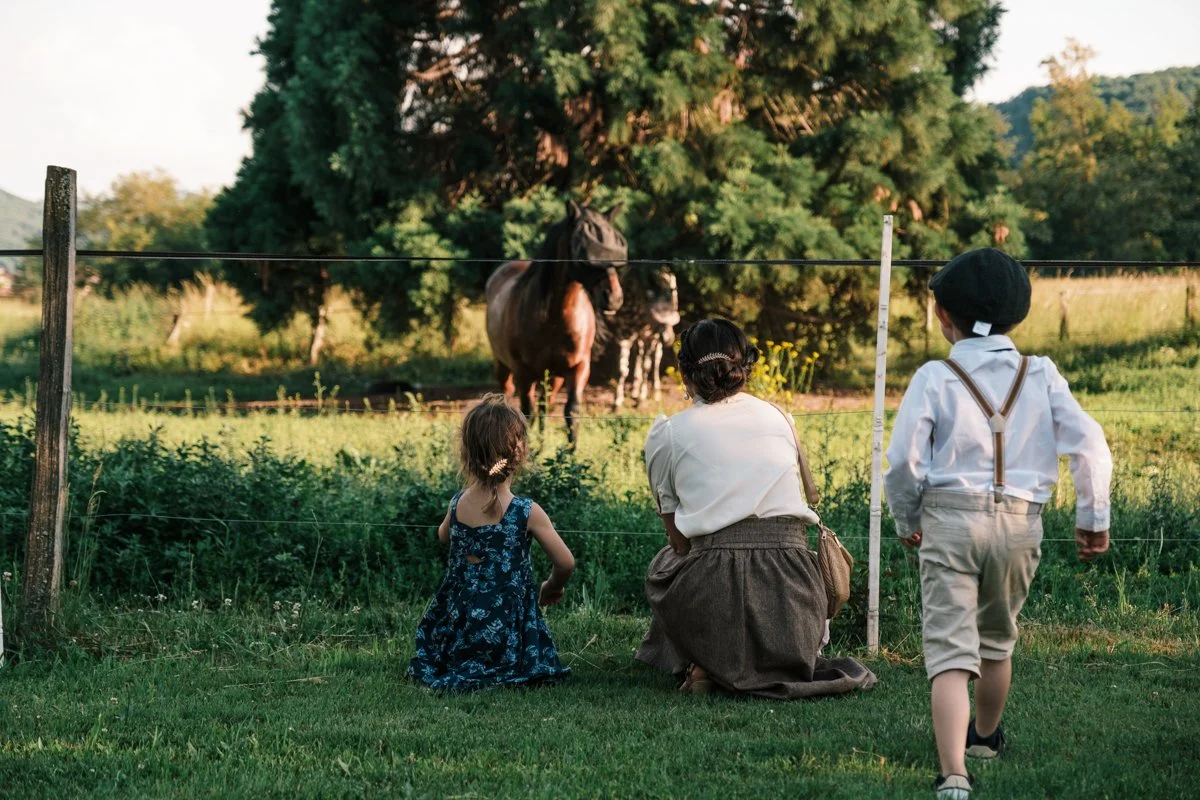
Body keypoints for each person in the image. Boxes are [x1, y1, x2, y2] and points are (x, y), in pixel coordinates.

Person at [884, 248, 1112, 799]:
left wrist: (906, 519)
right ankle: (984, 737)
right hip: (1020, 525)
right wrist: (1092, 517)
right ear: (1019, 314)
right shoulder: (1043, 374)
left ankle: (953, 774)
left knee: (947, 647)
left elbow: (903, 463)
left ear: (943, 316)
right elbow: (1091, 446)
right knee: (996, 640)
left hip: (951, 523)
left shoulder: (934, 377)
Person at [636, 318, 876, 699]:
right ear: (745, 367)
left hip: (714, 579)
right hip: (795, 585)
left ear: (684, 371)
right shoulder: (780, 418)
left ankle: (708, 660)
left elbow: (678, 540)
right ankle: (780, 653)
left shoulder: (668, 434)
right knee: (736, 570)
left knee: (665, 567)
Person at [408, 394, 575, 692]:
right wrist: (553, 586)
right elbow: (565, 562)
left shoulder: (457, 503)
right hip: (504, 628)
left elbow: (442, 535)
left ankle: (459, 659)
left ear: (467, 451)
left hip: (459, 625)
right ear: (519, 452)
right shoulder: (526, 512)